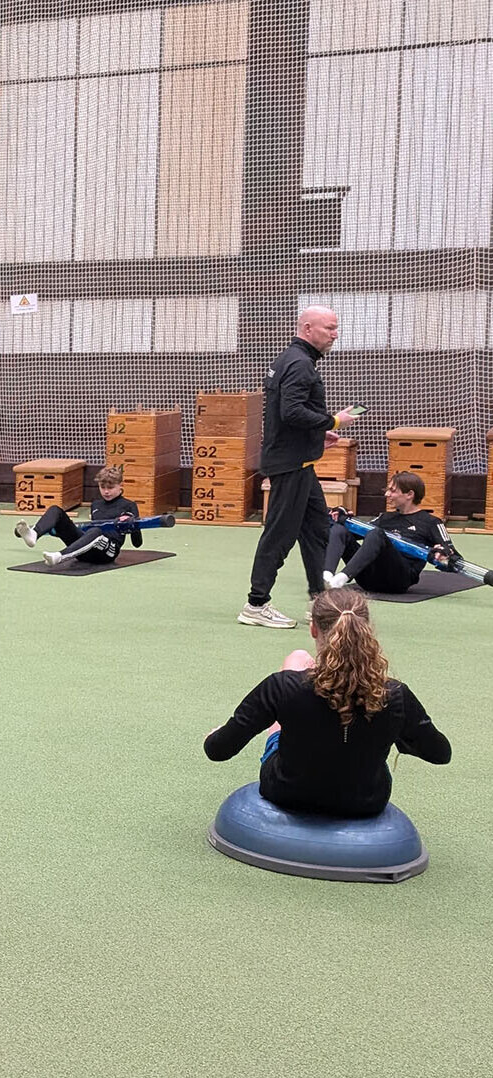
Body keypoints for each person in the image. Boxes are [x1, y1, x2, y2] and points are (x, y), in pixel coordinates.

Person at [204, 588, 449, 817]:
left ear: (313, 629)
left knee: (297, 660)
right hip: (365, 800)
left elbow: (217, 750)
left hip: (287, 792)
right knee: (301, 669)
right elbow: (440, 754)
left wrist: (215, 735)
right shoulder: (395, 694)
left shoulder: (282, 686)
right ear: (368, 629)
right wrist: (395, 730)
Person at [241, 306, 361, 629]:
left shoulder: (294, 360)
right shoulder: (299, 364)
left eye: (336, 328)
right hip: (290, 465)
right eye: (329, 328)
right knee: (279, 535)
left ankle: (318, 603)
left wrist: (319, 434)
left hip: (301, 464)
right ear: (308, 328)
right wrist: (334, 420)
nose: (335, 334)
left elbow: (288, 415)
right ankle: (256, 603)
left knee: (318, 531)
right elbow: (292, 411)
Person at [323, 472, 449, 594]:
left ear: (409, 494)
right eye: (387, 490)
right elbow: (352, 535)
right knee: (340, 530)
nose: (387, 494)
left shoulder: (431, 522)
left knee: (376, 534)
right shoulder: (385, 518)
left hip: (398, 581)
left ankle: (341, 579)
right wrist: (342, 518)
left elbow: (451, 556)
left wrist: (442, 555)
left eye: (392, 491)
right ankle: (327, 577)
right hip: (368, 580)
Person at [13, 465, 140, 567]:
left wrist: (131, 524)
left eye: (111, 487)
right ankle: (33, 534)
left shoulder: (129, 505)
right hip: (84, 550)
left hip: (108, 552)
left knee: (96, 531)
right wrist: (65, 527)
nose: (106, 491)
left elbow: (137, 543)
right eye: (102, 487)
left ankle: (60, 556)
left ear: (120, 486)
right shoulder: (96, 504)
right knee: (56, 510)